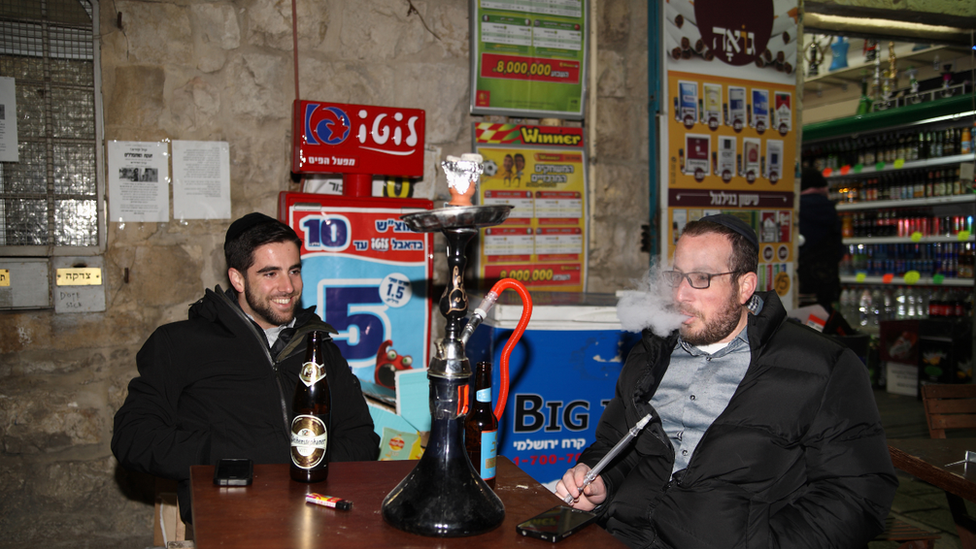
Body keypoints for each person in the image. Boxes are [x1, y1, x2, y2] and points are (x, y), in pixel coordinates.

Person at [555, 214, 896, 548]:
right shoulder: (650, 354)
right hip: (626, 536)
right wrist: (602, 483)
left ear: (744, 286)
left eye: (701, 278)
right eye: (677, 277)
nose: (681, 296)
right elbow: (616, 445)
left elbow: (857, 495)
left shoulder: (821, 365)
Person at [112, 213, 380, 524]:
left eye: (294, 271)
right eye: (270, 274)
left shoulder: (320, 348)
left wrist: (313, 464)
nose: (288, 287)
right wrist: (227, 456)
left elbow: (361, 436)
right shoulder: (181, 344)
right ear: (238, 279)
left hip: (318, 517)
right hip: (230, 523)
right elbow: (132, 437)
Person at [798, 166, 843, 310]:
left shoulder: (797, 209)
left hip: (802, 281)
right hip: (827, 280)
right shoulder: (830, 209)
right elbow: (839, 248)